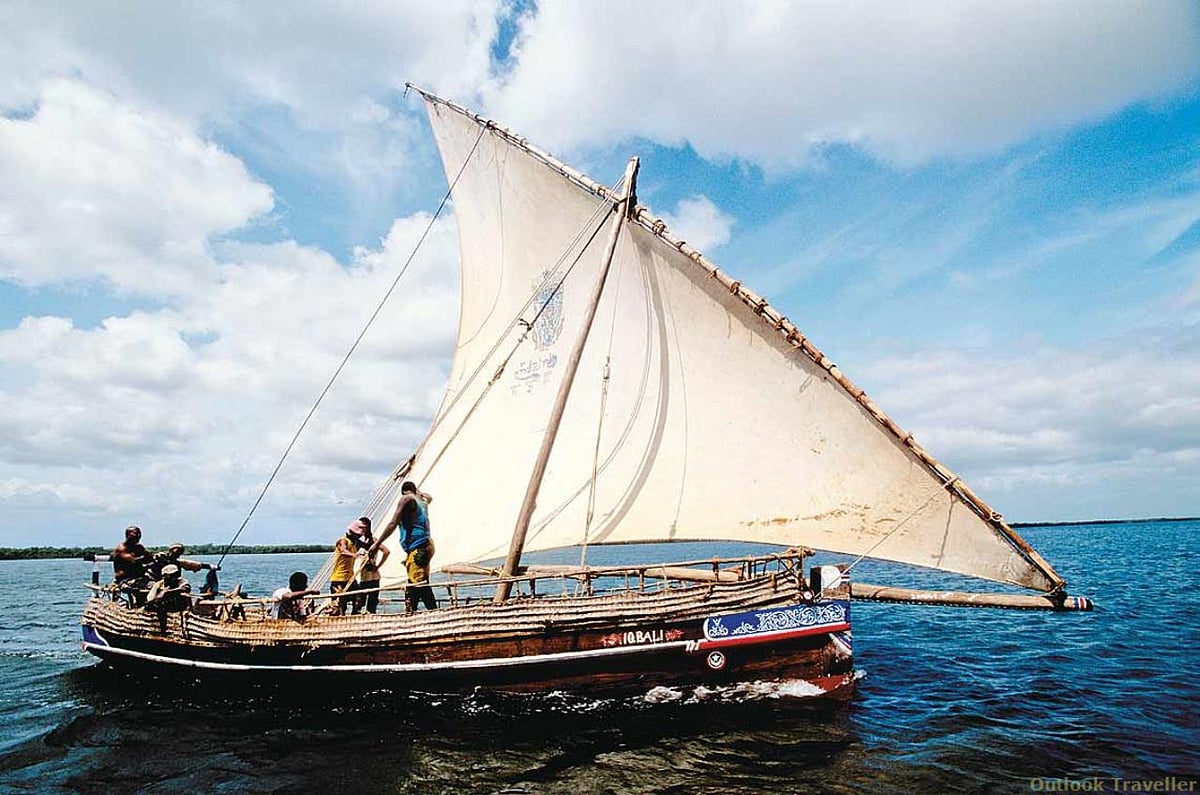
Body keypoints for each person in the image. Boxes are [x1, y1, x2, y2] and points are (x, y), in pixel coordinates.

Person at [372, 482, 436, 613]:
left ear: (403, 491)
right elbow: (429, 497)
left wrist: (377, 544)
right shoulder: (422, 502)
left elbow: (393, 523)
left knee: (417, 584)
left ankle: (425, 614)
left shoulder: (406, 499)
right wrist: (419, 492)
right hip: (426, 545)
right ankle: (417, 613)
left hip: (418, 547)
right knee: (419, 581)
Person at [349, 517, 389, 615]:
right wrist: (377, 566)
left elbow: (386, 551)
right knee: (370, 605)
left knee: (360, 604)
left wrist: (378, 566)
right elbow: (386, 552)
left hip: (368, 576)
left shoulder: (368, 541)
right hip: (372, 575)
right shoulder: (371, 540)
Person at [112, 525, 153, 604]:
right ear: (128, 535)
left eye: (139, 534)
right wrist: (147, 558)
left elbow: (150, 557)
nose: (138, 536)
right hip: (125, 579)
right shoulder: (121, 549)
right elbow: (135, 561)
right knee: (150, 587)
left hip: (140, 578)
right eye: (135, 534)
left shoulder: (139, 547)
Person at [329, 521, 361, 615]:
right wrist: (354, 555)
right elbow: (343, 551)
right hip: (339, 579)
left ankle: (354, 617)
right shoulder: (343, 541)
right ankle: (338, 621)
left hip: (350, 578)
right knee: (339, 604)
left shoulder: (354, 544)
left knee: (359, 597)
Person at [147, 542, 216, 581]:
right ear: (170, 551)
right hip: (155, 580)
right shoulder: (160, 556)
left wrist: (211, 566)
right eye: (175, 552)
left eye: (179, 553)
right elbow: (152, 557)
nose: (177, 555)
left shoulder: (177, 562)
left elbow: (195, 564)